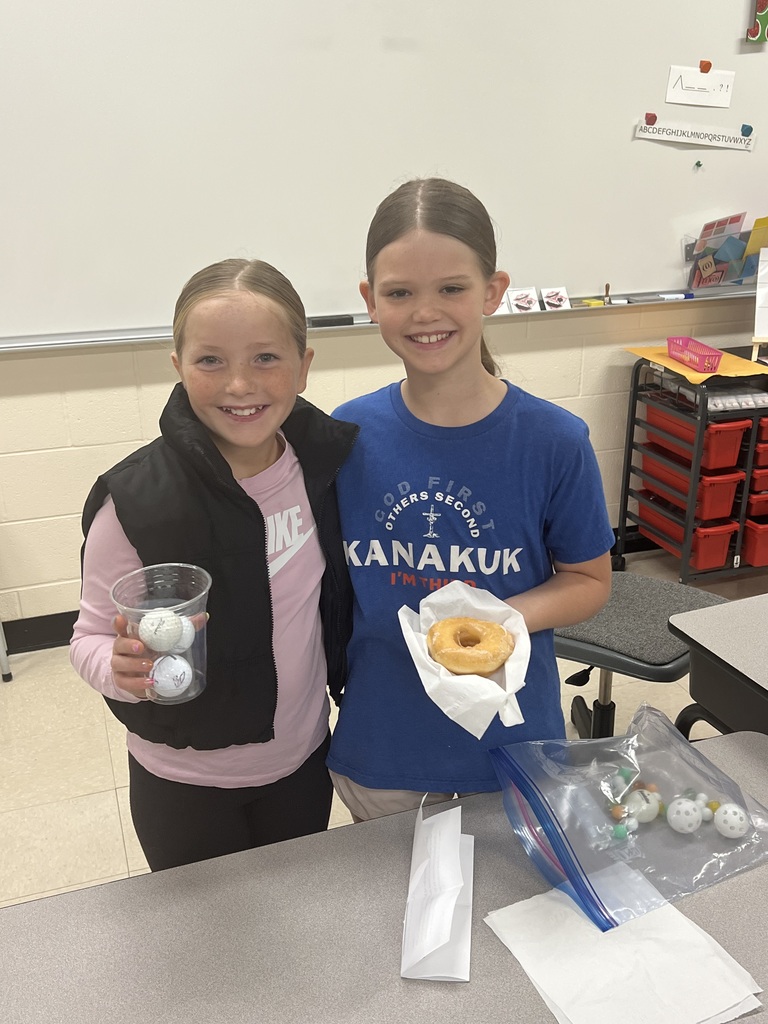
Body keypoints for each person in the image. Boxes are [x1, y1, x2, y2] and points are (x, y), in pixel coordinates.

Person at [327, 178, 614, 821]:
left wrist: (499, 621)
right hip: (382, 748)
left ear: (492, 291)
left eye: (452, 288)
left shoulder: (554, 441)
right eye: (400, 293)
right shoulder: (347, 435)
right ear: (371, 301)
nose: (425, 313)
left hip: (511, 747)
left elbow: (589, 580)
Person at [70, 258, 358, 870]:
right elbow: (88, 637)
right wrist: (121, 670)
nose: (239, 384)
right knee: (203, 931)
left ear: (304, 366)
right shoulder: (134, 503)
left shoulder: (325, 466)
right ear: (178, 367)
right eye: (210, 361)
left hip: (303, 760)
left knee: (295, 911)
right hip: (182, 781)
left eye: (266, 357)